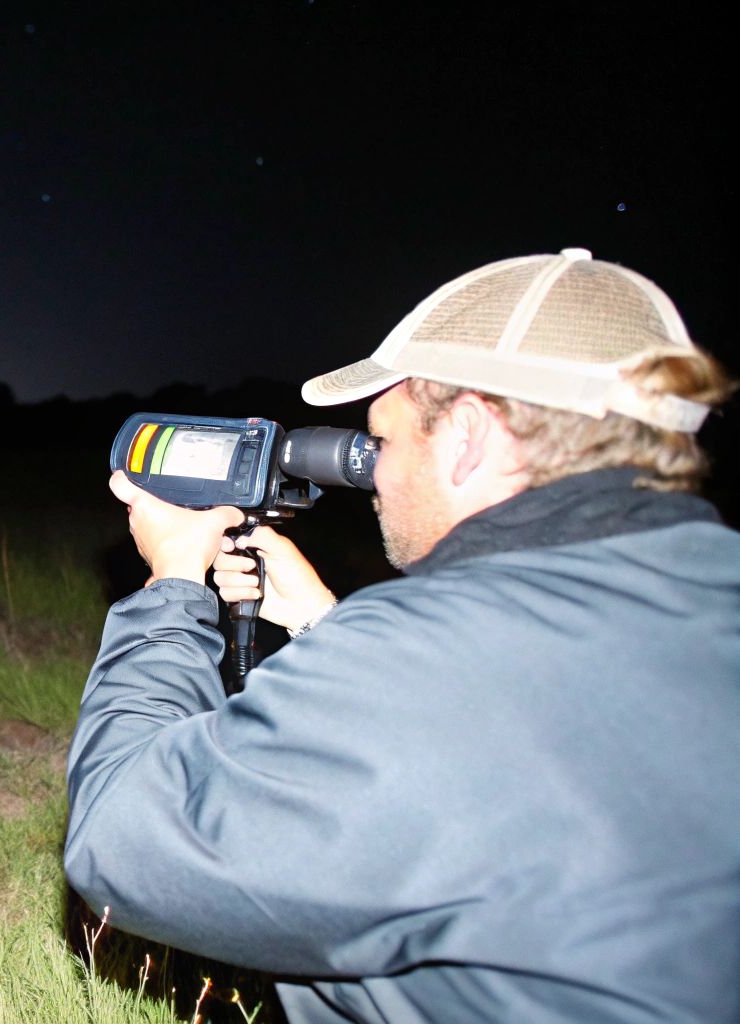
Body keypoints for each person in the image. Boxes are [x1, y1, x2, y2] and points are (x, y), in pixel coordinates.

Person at [64, 248, 739, 1022]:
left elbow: (125, 838)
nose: (374, 473)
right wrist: (329, 627)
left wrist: (173, 588)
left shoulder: (428, 662)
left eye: (383, 439)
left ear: (469, 436)